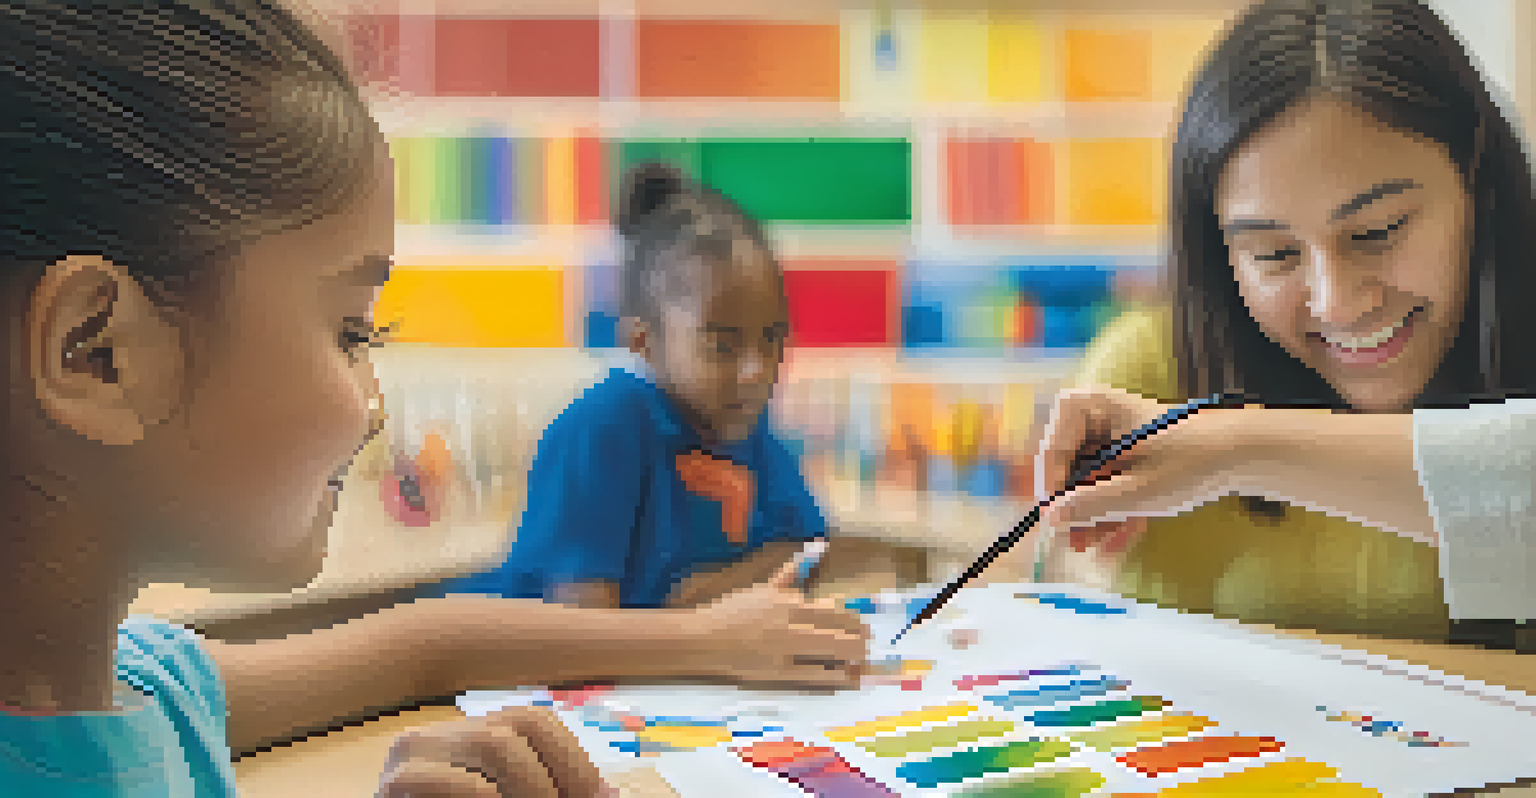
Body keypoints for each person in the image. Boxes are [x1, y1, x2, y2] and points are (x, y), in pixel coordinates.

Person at [0, 2, 865, 795]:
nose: (371, 407)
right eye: (350, 331)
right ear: (98, 354)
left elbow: (424, 644)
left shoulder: (155, 684)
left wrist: (712, 639)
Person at [1030, 0, 1536, 643]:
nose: (1338, 302)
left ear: (1476, 182)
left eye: (1378, 231)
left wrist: (1236, 447)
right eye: (1275, 255)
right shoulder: (1145, 377)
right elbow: (1053, 624)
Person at [432, 162, 833, 611]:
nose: (756, 370)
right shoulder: (602, 427)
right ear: (644, 342)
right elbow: (584, 627)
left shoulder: (742, 422)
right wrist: (716, 615)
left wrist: (703, 599)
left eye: (772, 338)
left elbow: (809, 552)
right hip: (491, 668)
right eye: (723, 345)